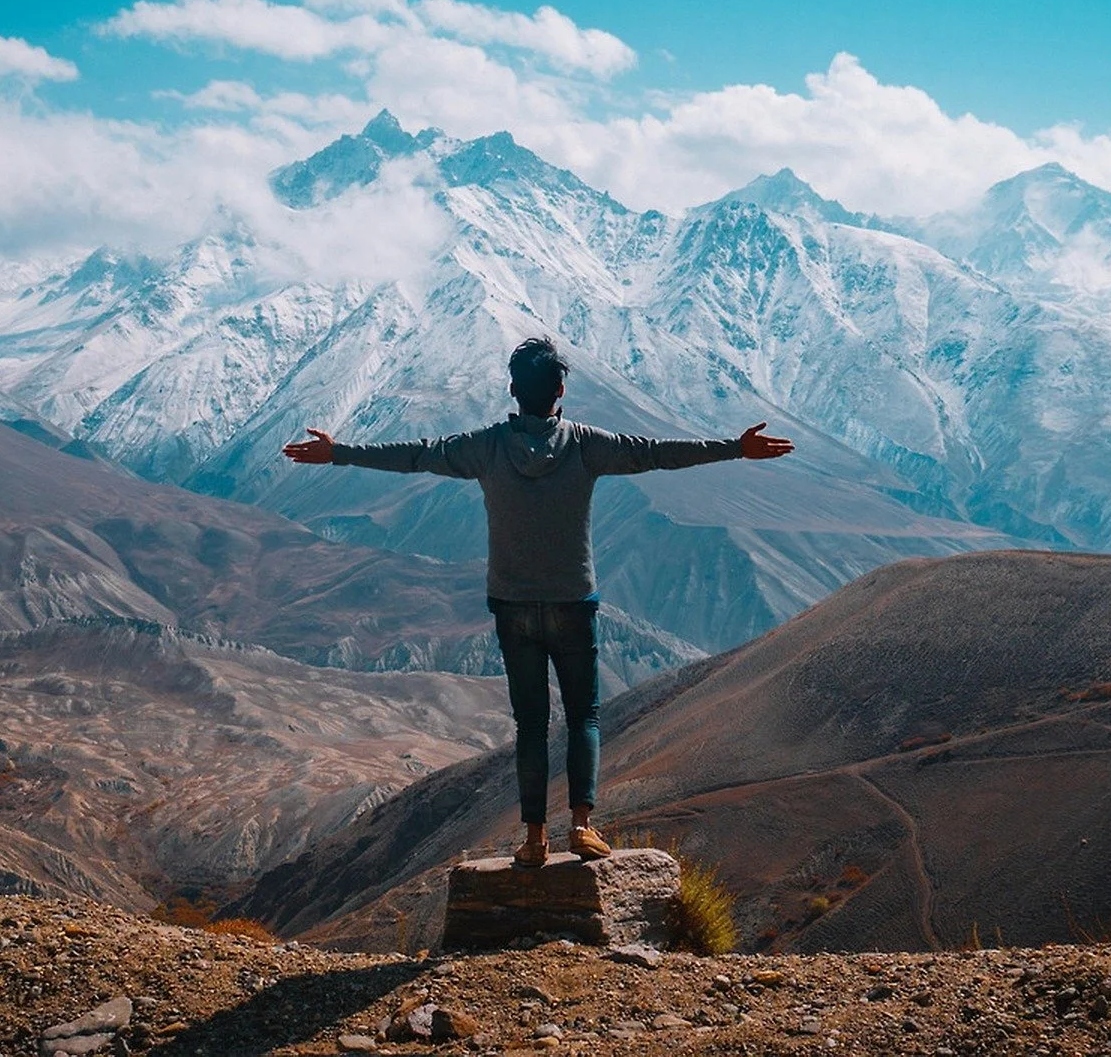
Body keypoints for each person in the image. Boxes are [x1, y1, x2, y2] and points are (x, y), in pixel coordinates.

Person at [282, 337, 794, 867]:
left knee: (530, 723)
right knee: (583, 716)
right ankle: (582, 827)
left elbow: (418, 455)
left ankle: (533, 839)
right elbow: (656, 453)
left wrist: (338, 452)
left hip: (513, 603)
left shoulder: (485, 446)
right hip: (573, 600)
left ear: (513, 390)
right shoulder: (587, 444)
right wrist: (736, 448)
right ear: (561, 391)